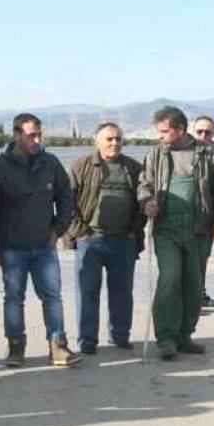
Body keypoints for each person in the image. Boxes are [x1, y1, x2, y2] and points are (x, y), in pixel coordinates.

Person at [0, 113, 79, 368]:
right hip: (12, 249)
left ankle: (58, 346)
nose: (36, 140)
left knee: (53, 297)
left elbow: (65, 197)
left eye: (39, 134)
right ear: (16, 135)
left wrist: (58, 228)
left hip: (44, 247)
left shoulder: (50, 163)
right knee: (14, 298)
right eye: (30, 135)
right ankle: (15, 347)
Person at [137, 106, 214, 360]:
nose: (160, 136)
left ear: (179, 130)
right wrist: (146, 203)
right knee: (170, 279)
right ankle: (165, 338)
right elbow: (144, 184)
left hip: (199, 229)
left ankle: (184, 335)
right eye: (159, 132)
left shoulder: (207, 153)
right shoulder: (156, 154)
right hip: (166, 229)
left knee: (193, 284)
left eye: (164, 131)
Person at [63, 123, 144, 354]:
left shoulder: (133, 168)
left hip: (123, 241)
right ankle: (87, 341)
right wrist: (79, 231)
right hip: (91, 240)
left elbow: (143, 199)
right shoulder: (82, 165)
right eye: (109, 139)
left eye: (118, 139)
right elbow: (66, 200)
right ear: (96, 141)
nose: (114, 143)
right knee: (87, 292)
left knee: (122, 293)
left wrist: (134, 231)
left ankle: (120, 336)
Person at [192, 116, 214, 309]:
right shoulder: (185, 151)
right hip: (185, 218)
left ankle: (200, 296)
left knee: (202, 260)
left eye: (208, 132)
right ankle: (190, 299)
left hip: (206, 218)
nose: (203, 136)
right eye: (199, 132)